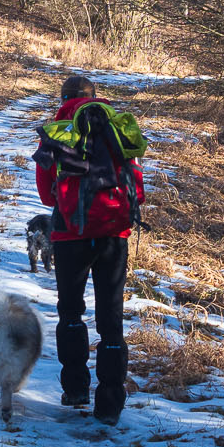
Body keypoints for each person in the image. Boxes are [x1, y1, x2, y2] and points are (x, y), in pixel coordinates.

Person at [34, 74, 145, 426]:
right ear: (96, 96)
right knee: (111, 323)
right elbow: (137, 190)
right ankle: (110, 405)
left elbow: (46, 195)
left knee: (70, 312)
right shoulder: (119, 127)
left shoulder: (57, 130)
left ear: (62, 98)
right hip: (115, 234)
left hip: (70, 236)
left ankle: (76, 389)